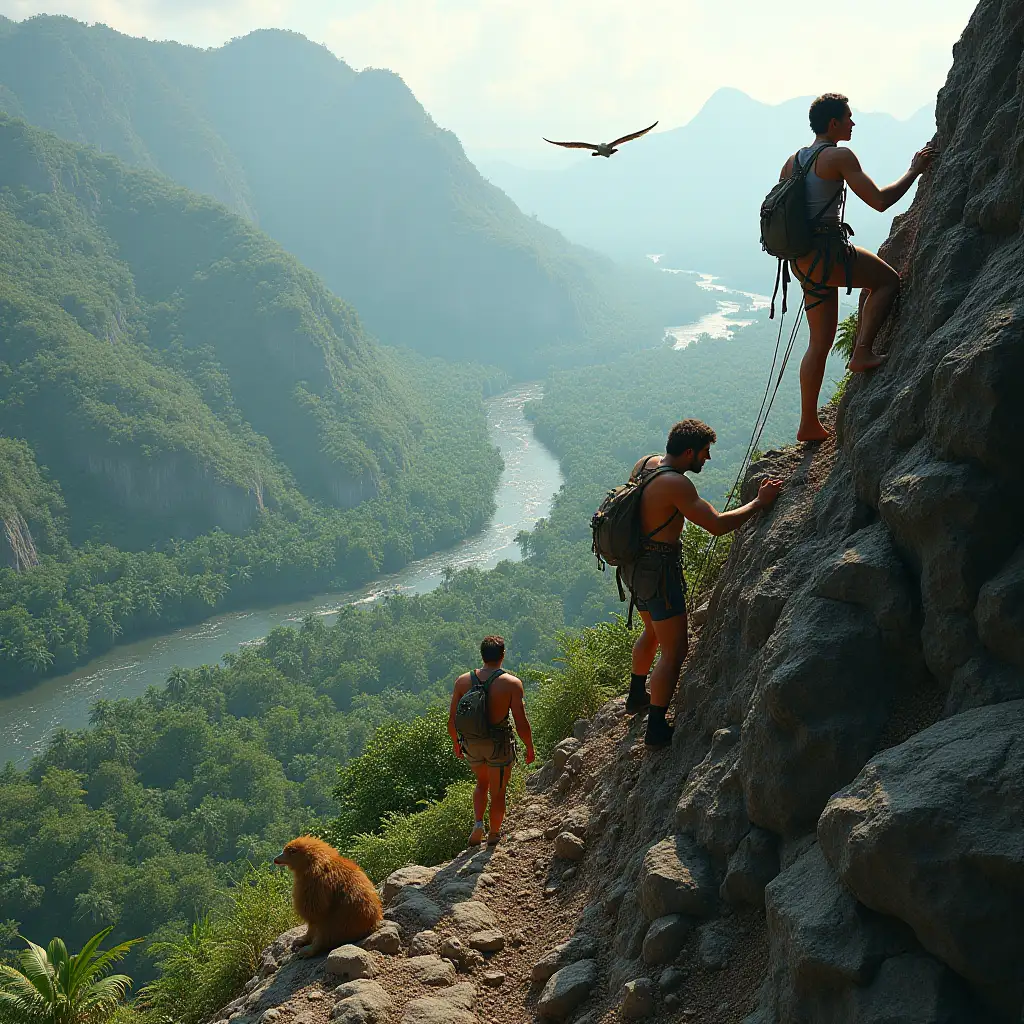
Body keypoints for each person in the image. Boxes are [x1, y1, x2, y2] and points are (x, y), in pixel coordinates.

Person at [781, 92, 936, 442]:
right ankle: (862, 351)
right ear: (833, 122)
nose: (853, 123)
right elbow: (880, 201)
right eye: (849, 117)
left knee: (818, 342)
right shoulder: (838, 156)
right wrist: (915, 170)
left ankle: (808, 424)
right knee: (886, 281)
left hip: (802, 261)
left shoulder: (792, 161)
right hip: (829, 255)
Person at [625, 419, 782, 748]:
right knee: (675, 650)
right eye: (704, 453)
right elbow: (717, 525)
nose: (707, 460)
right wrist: (759, 502)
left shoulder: (646, 463)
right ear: (688, 452)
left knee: (652, 630)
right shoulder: (676, 484)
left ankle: (636, 696)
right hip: (660, 573)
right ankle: (655, 729)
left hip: (633, 567)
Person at [448, 635, 535, 845]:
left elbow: (452, 721)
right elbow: (521, 722)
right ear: (502, 655)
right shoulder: (511, 683)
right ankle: (494, 834)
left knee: (481, 783)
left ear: (482, 655)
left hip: (472, 743)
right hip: (499, 744)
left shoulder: (462, 681)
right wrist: (529, 747)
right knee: (498, 791)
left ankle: (478, 823)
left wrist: (456, 744)